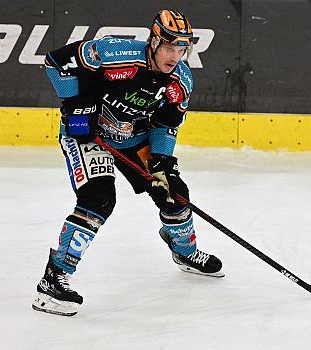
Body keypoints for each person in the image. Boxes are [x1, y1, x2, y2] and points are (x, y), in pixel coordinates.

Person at [33, 10, 223, 316]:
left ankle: (185, 253)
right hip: (87, 136)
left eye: (181, 49)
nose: (175, 56)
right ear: (154, 40)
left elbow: (165, 124)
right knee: (99, 199)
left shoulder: (181, 80)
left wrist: (162, 161)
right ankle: (52, 280)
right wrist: (76, 105)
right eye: (169, 47)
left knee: (174, 192)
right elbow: (55, 62)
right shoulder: (113, 52)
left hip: (132, 137)